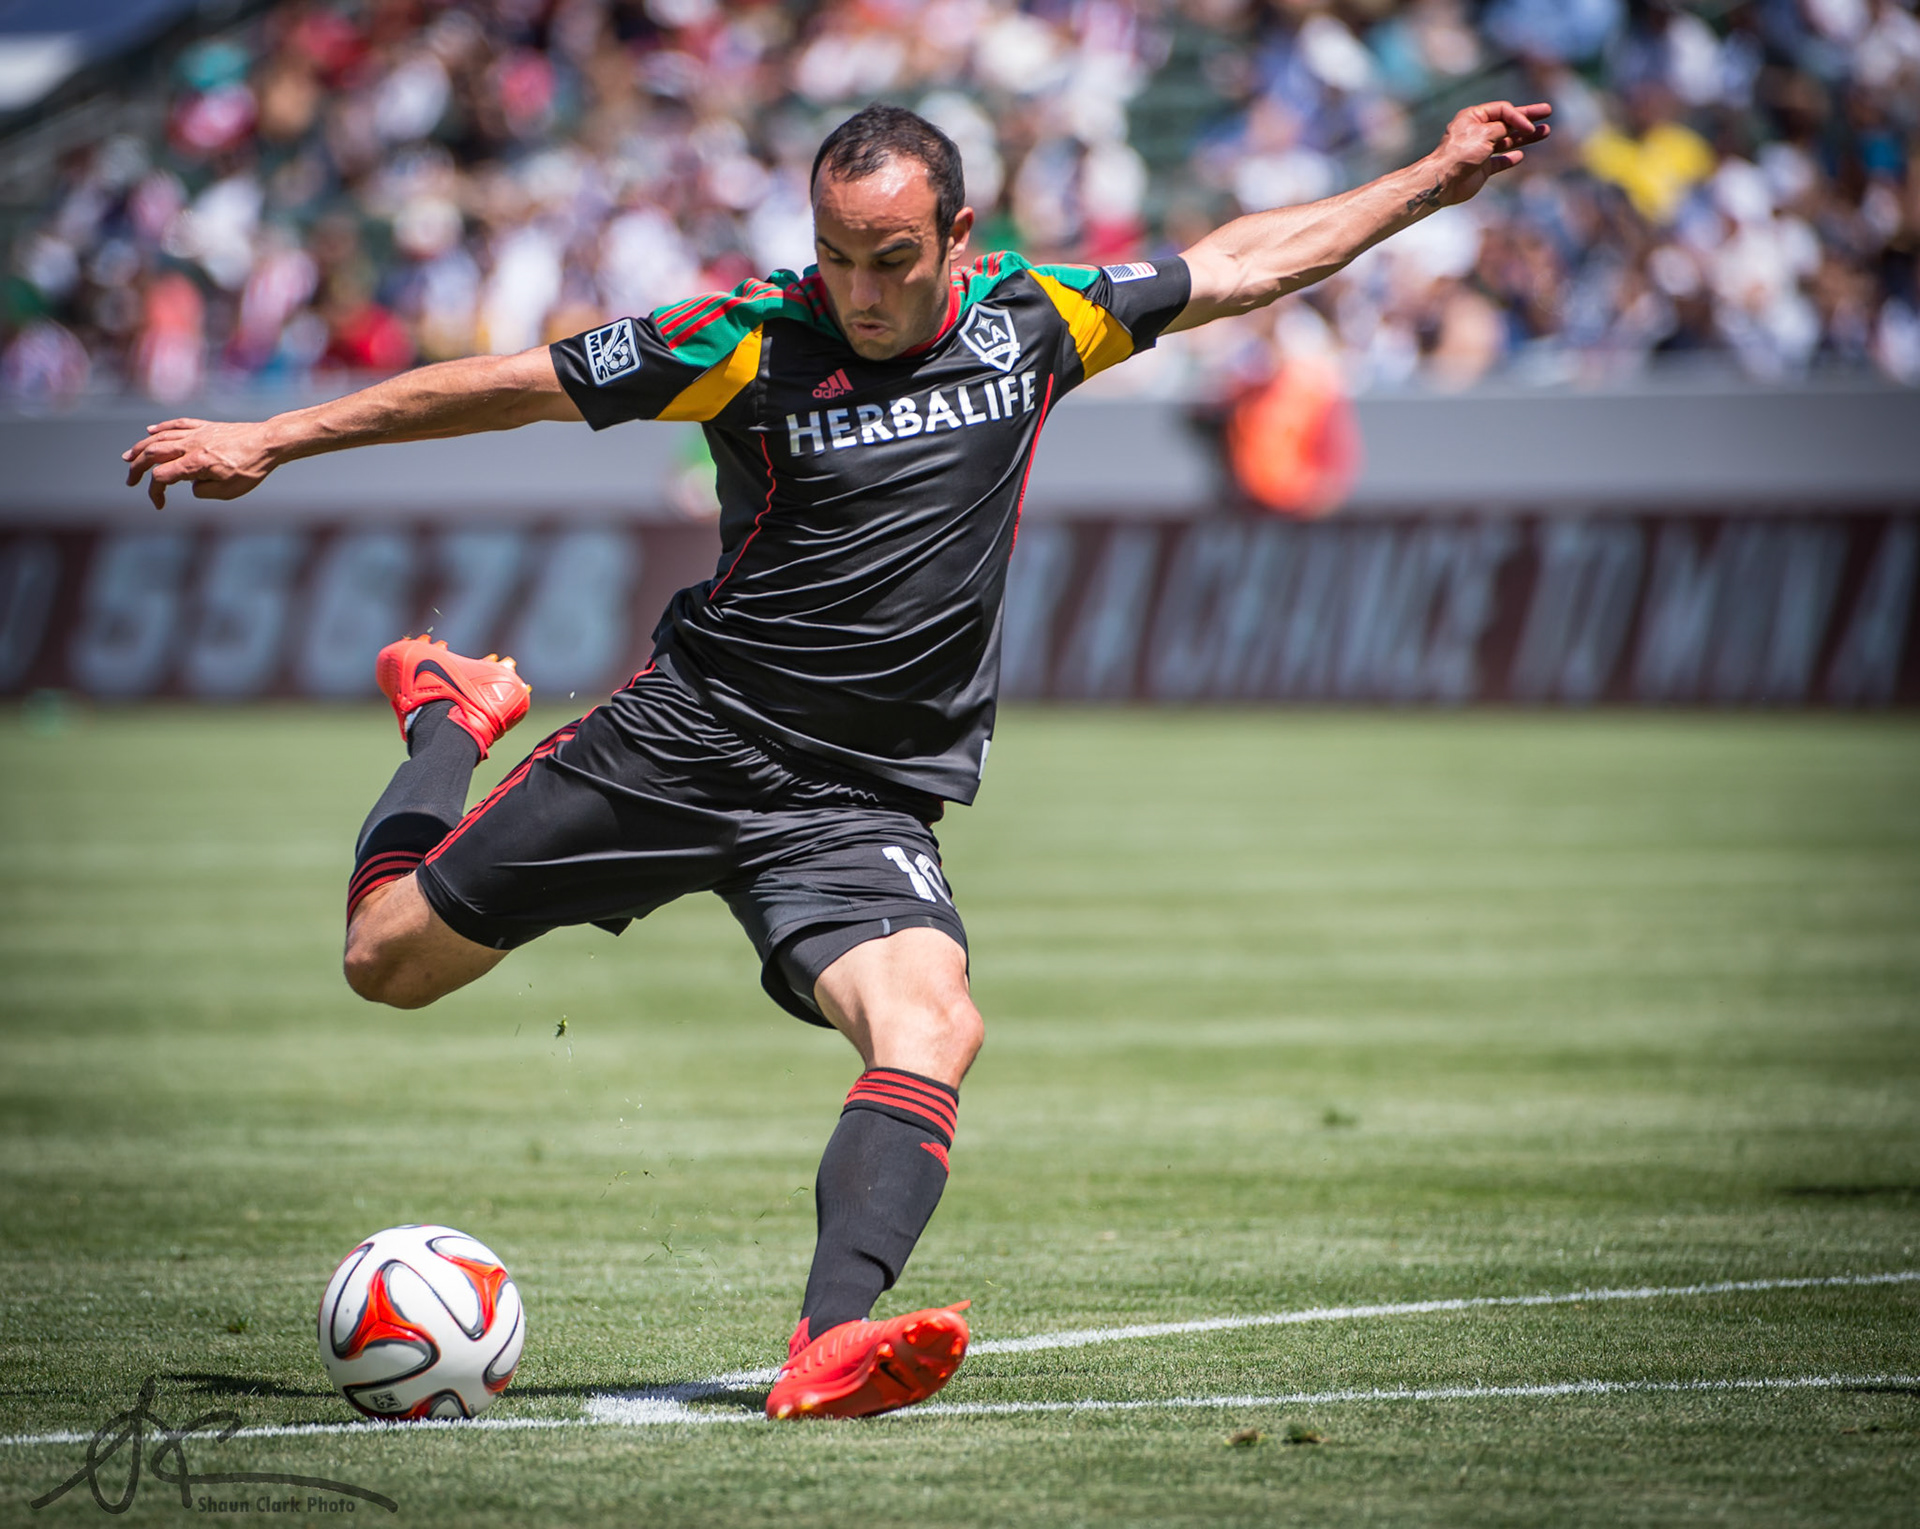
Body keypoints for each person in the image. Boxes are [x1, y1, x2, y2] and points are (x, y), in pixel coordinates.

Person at [122, 97, 1550, 1420]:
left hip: (856, 798)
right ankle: (448, 712)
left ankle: (826, 1343)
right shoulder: (746, 339)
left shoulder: (1034, 320)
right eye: (835, 257)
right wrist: (274, 436)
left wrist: (1435, 176)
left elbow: (1241, 262)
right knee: (385, 959)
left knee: (935, 1023)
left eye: (890, 260)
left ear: (956, 243)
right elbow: (514, 385)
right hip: (688, 740)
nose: (859, 291)